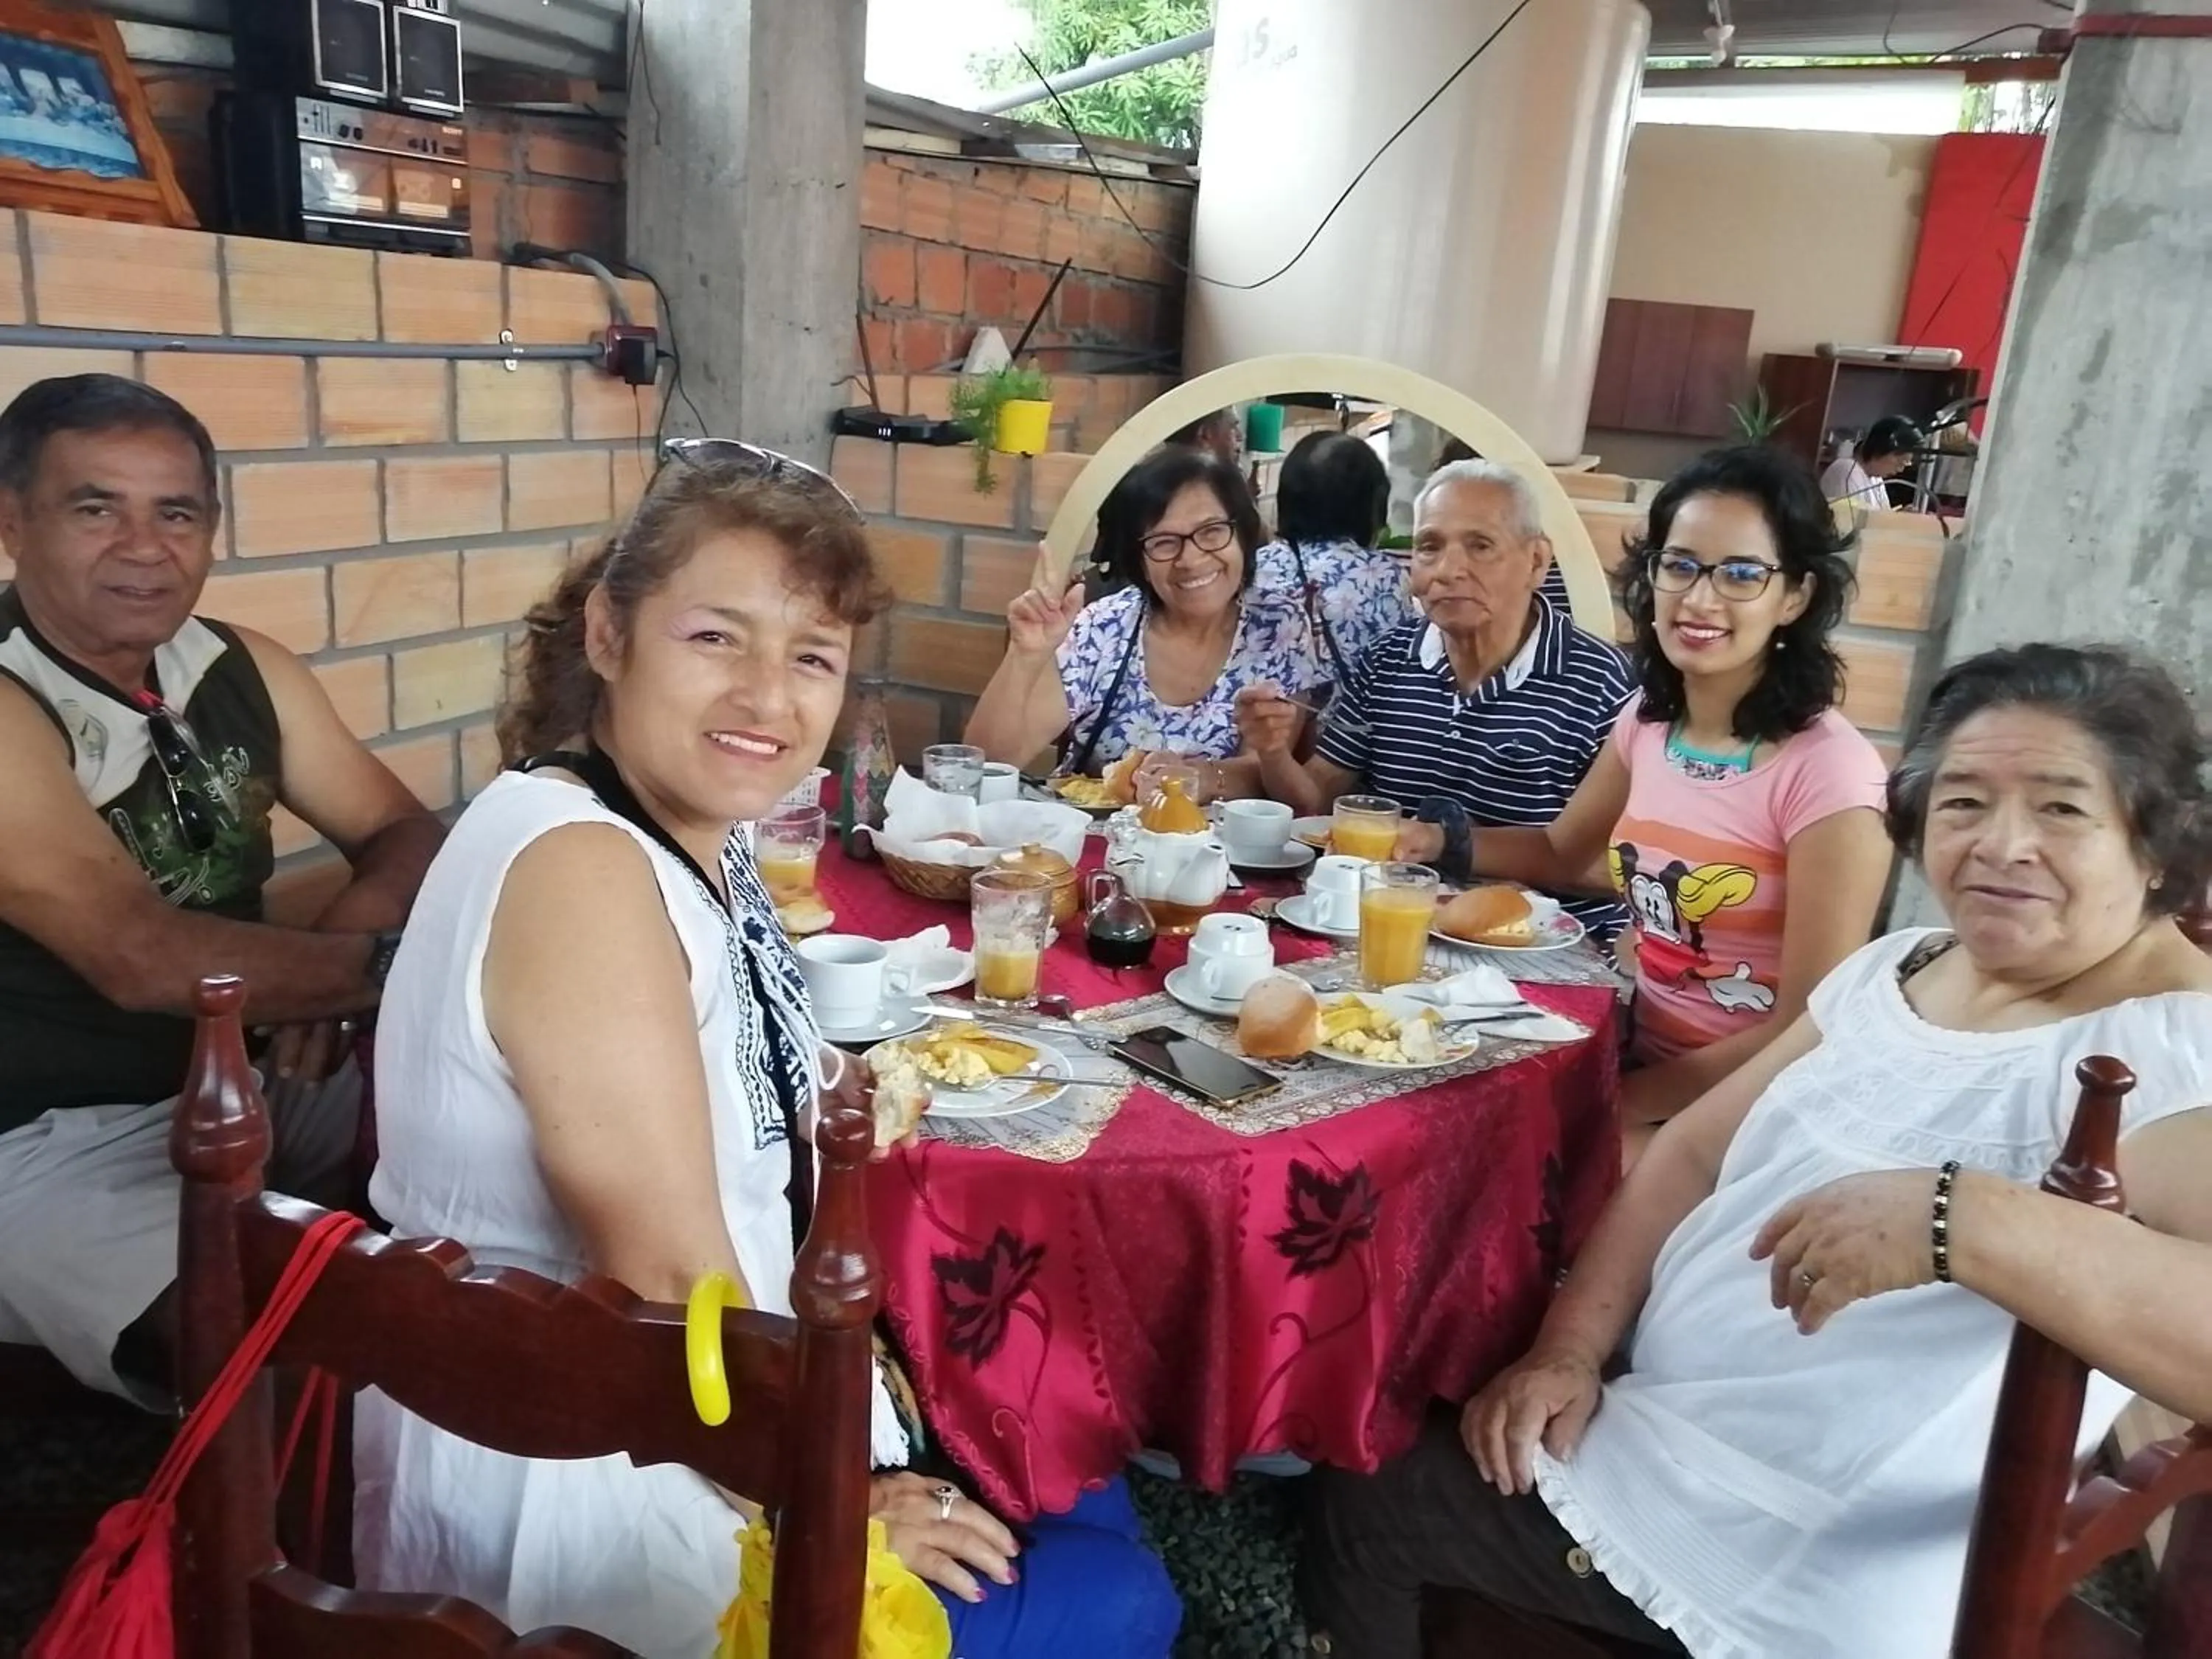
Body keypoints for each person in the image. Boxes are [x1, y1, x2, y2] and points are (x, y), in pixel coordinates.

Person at [357, 442, 1180, 1659]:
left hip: (682, 1392)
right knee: (1122, 1597)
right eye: (715, 638)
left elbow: (714, 1049)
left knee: (1081, 1484)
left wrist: (832, 1083)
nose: (767, 696)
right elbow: (660, 1280)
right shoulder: (580, 869)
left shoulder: (676, 829)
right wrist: (830, 1511)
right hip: (595, 1470)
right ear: (607, 634)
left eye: (811, 657)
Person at [1303, 641, 2212, 1659]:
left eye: (2060, 808)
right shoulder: (1905, 965)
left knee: (1372, 1489)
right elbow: (1690, 1151)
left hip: (1778, 1544)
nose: (2002, 844)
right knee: (1437, 1348)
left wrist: (1967, 1218)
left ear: (2156, 844)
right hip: (1674, 1422)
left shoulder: (2167, 1048)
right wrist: (1569, 1346)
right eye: (1962, 803)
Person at [0, 374, 442, 1403]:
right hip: (51, 1133)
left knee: (525, 1145)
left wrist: (345, 951)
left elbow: (405, 829)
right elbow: (136, 953)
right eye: (95, 507)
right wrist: (376, 972)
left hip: (251, 1069)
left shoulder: (236, 664)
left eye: (178, 513)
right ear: (13, 521)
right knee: (303, 1363)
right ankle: (286, 1545)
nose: (145, 547)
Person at [1433, 445, 1893, 1150]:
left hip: (1760, 1109)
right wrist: (1433, 843)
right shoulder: (1648, 722)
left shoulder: (1830, 775)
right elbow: (1561, 850)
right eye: (1680, 566)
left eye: (1741, 574)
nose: (1700, 599)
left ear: (1794, 596)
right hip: (1638, 1056)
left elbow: (1809, 1025)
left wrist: (1622, 1105)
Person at [1238, 459, 1632, 938]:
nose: (1448, 570)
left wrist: (1443, 843)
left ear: (1536, 561)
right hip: (1389, 924)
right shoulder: (1388, 658)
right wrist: (1274, 752)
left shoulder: (1602, 682)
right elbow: (1318, 799)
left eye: (1480, 546)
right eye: (1429, 546)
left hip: (1540, 946)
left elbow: (1617, 867)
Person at [964, 445, 1402, 795]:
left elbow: (1264, 768)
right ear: (1139, 558)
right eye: (1164, 542)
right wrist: (1025, 657)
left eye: (1212, 532)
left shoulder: (1280, 628)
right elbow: (985, 765)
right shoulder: (1105, 629)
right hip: (1093, 862)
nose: (1191, 560)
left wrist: (1201, 777)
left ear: (1244, 534)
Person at [1259, 429, 1416, 674]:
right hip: (1351, 712)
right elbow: (1401, 668)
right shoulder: (1385, 577)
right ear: (1370, 504)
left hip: (1267, 710)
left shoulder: (1255, 566)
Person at [1820, 414, 1921, 515]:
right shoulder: (1845, 472)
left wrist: (1899, 517)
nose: (1901, 470)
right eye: (1900, 462)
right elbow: (1849, 525)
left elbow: (1882, 516)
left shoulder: (1876, 478)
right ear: (1880, 449)